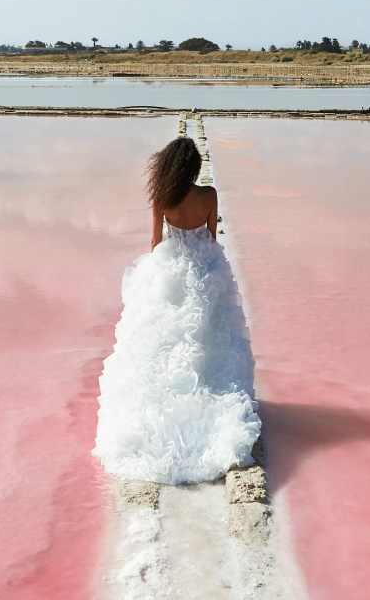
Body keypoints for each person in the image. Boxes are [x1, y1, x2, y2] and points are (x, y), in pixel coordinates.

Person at [92, 137, 261, 485]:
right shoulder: (209, 195)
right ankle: (214, 414)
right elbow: (212, 238)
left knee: (162, 349)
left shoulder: (163, 199)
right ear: (194, 168)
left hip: (172, 272)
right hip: (205, 271)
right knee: (210, 345)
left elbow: (155, 244)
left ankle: (161, 417)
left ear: (169, 167)